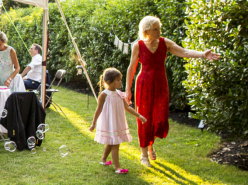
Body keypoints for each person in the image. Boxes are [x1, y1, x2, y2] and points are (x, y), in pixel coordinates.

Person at [126, 16, 220, 166]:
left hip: (161, 85)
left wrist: (203, 54)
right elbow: (131, 68)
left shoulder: (165, 43)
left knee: (160, 119)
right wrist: (127, 91)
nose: (159, 31)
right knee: (144, 118)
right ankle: (144, 154)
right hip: (144, 84)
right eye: (155, 29)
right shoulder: (138, 46)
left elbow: (185, 52)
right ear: (146, 31)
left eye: (159, 28)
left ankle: (150, 144)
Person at [89, 68, 147, 174]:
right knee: (115, 143)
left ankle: (103, 159)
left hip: (117, 122)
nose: (120, 82)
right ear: (110, 82)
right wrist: (93, 123)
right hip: (109, 122)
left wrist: (139, 115)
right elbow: (98, 109)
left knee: (112, 142)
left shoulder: (120, 94)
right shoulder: (104, 94)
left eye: (120, 80)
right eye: (118, 80)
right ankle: (117, 168)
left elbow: (128, 108)